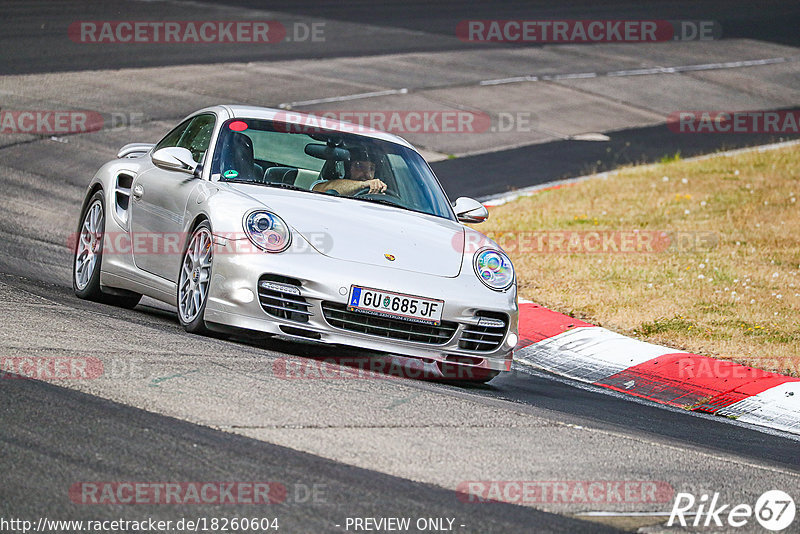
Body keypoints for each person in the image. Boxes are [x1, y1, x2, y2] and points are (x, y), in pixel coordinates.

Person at [311, 147, 387, 195]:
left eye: (371, 169)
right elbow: (318, 189)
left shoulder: (380, 194)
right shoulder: (323, 185)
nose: (368, 174)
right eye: (359, 166)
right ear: (345, 169)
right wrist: (363, 184)